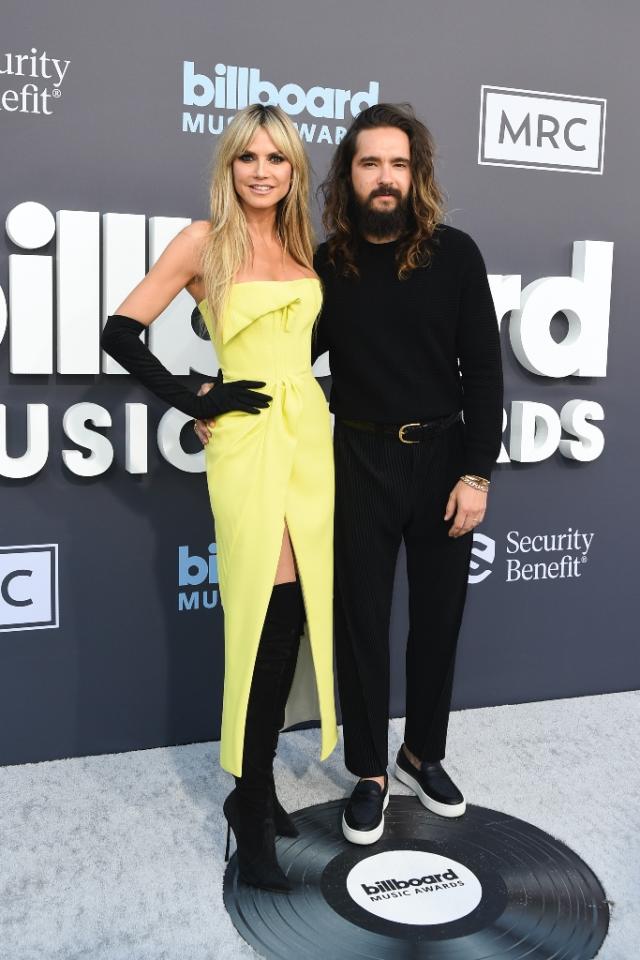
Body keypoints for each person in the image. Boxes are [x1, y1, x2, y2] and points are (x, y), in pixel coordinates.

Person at [195, 102, 503, 846]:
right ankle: (368, 770)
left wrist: (477, 474)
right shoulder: (325, 263)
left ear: (417, 174)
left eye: (399, 163)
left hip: (441, 461)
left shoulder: (457, 254)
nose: (386, 177)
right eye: (371, 163)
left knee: (439, 621)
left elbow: (485, 371)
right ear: (349, 175)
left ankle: (421, 752)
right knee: (360, 622)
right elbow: (279, 344)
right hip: (355, 460)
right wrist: (211, 388)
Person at [101, 103, 337, 892]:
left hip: (311, 439)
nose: (262, 171)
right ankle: (249, 794)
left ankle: (260, 787)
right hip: (248, 444)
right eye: (247, 158)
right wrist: (197, 394)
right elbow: (121, 331)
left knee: (298, 609)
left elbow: (304, 348)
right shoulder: (204, 242)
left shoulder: (305, 247)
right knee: (262, 615)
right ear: (228, 166)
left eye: (277, 158)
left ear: (294, 170)